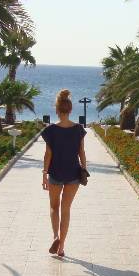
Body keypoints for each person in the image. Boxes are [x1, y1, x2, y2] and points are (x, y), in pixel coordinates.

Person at [41, 89, 87, 258]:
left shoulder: (51, 130)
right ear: (70, 109)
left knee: (54, 207)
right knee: (66, 209)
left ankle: (55, 236)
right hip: (73, 174)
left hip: (55, 173)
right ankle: (61, 248)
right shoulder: (78, 129)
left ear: (57, 110)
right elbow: (81, 152)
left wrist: (44, 174)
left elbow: (48, 154)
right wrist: (84, 169)